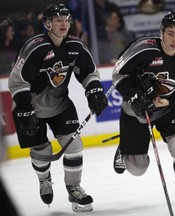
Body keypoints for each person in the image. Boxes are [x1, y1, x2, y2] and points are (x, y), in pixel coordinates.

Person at [8, 3, 108, 212]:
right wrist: (24, 106)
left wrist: (95, 90)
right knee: (42, 151)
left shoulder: (75, 46)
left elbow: (88, 72)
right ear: (47, 23)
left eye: (66, 19)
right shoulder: (35, 47)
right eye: (58, 20)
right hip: (31, 107)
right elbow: (17, 80)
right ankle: (44, 179)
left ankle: (74, 188)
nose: (63, 24)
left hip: (60, 104)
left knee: (74, 146)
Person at [112, 11, 175, 215]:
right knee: (137, 169)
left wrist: (171, 101)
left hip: (169, 109)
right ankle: (125, 147)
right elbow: (118, 74)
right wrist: (134, 95)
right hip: (138, 108)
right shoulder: (143, 48)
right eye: (171, 33)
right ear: (161, 32)